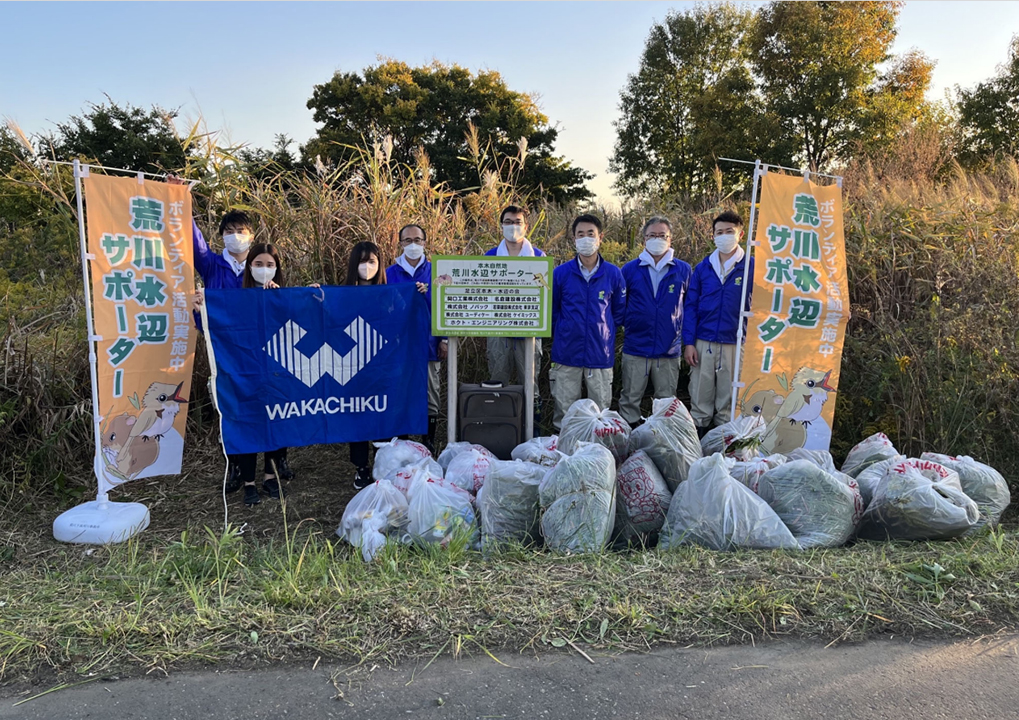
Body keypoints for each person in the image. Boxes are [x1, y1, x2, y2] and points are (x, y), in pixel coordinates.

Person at [549, 214, 626, 430]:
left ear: (600, 237)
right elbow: (553, 311)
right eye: (580, 234)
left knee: (600, 413)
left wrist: (604, 332)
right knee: (564, 412)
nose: (585, 238)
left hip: (600, 354)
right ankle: (560, 453)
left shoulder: (613, 274)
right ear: (574, 239)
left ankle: (599, 457)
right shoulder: (561, 274)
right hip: (567, 353)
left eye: (590, 234)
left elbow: (619, 313)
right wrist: (565, 331)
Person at [682, 210, 754, 438]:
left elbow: (775, 298)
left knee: (728, 398)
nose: (724, 236)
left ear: (740, 234)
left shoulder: (752, 267)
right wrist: (689, 342)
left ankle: (724, 445)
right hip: (704, 341)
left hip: (735, 341)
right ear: (712, 236)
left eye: (729, 232)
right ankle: (698, 440)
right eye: (719, 232)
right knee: (700, 393)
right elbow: (690, 306)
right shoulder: (703, 268)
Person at [229, 243, 290, 506]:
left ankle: (270, 476)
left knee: (277, 421)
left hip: (277, 371)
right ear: (249, 266)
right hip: (245, 372)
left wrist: (281, 300)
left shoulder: (282, 295)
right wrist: (200, 305)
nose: (264, 270)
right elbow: (219, 323)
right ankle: (249, 483)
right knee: (248, 425)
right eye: (258, 264)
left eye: (270, 265)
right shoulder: (235, 297)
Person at [618, 217, 692, 426]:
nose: (657, 239)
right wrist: (631, 324)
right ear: (644, 239)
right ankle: (627, 441)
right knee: (630, 398)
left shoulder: (683, 270)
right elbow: (619, 304)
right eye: (652, 235)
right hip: (636, 346)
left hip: (669, 349)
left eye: (662, 235)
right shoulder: (630, 269)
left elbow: (690, 306)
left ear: (670, 239)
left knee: (666, 402)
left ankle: (662, 443)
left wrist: (682, 337)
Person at [385, 224, 446, 454]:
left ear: (425, 242)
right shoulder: (389, 273)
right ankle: (403, 442)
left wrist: (445, 340)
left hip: (428, 344)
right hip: (398, 348)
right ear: (400, 244)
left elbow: (445, 307)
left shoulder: (437, 271)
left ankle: (427, 441)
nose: (413, 245)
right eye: (407, 240)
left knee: (430, 394)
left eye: (417, 240)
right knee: (401, 392)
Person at [484, 205, 546, 428]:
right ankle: (500, 430)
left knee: (530, 384)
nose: (513, 227)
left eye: (517, 222)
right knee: (498, 380)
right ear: (501, 226)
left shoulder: (538, 257)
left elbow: (545, 296)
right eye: (508, 222)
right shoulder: (490, 256)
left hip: (529, 332)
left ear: (526, 226)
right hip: (497, 329)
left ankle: (532, 431)